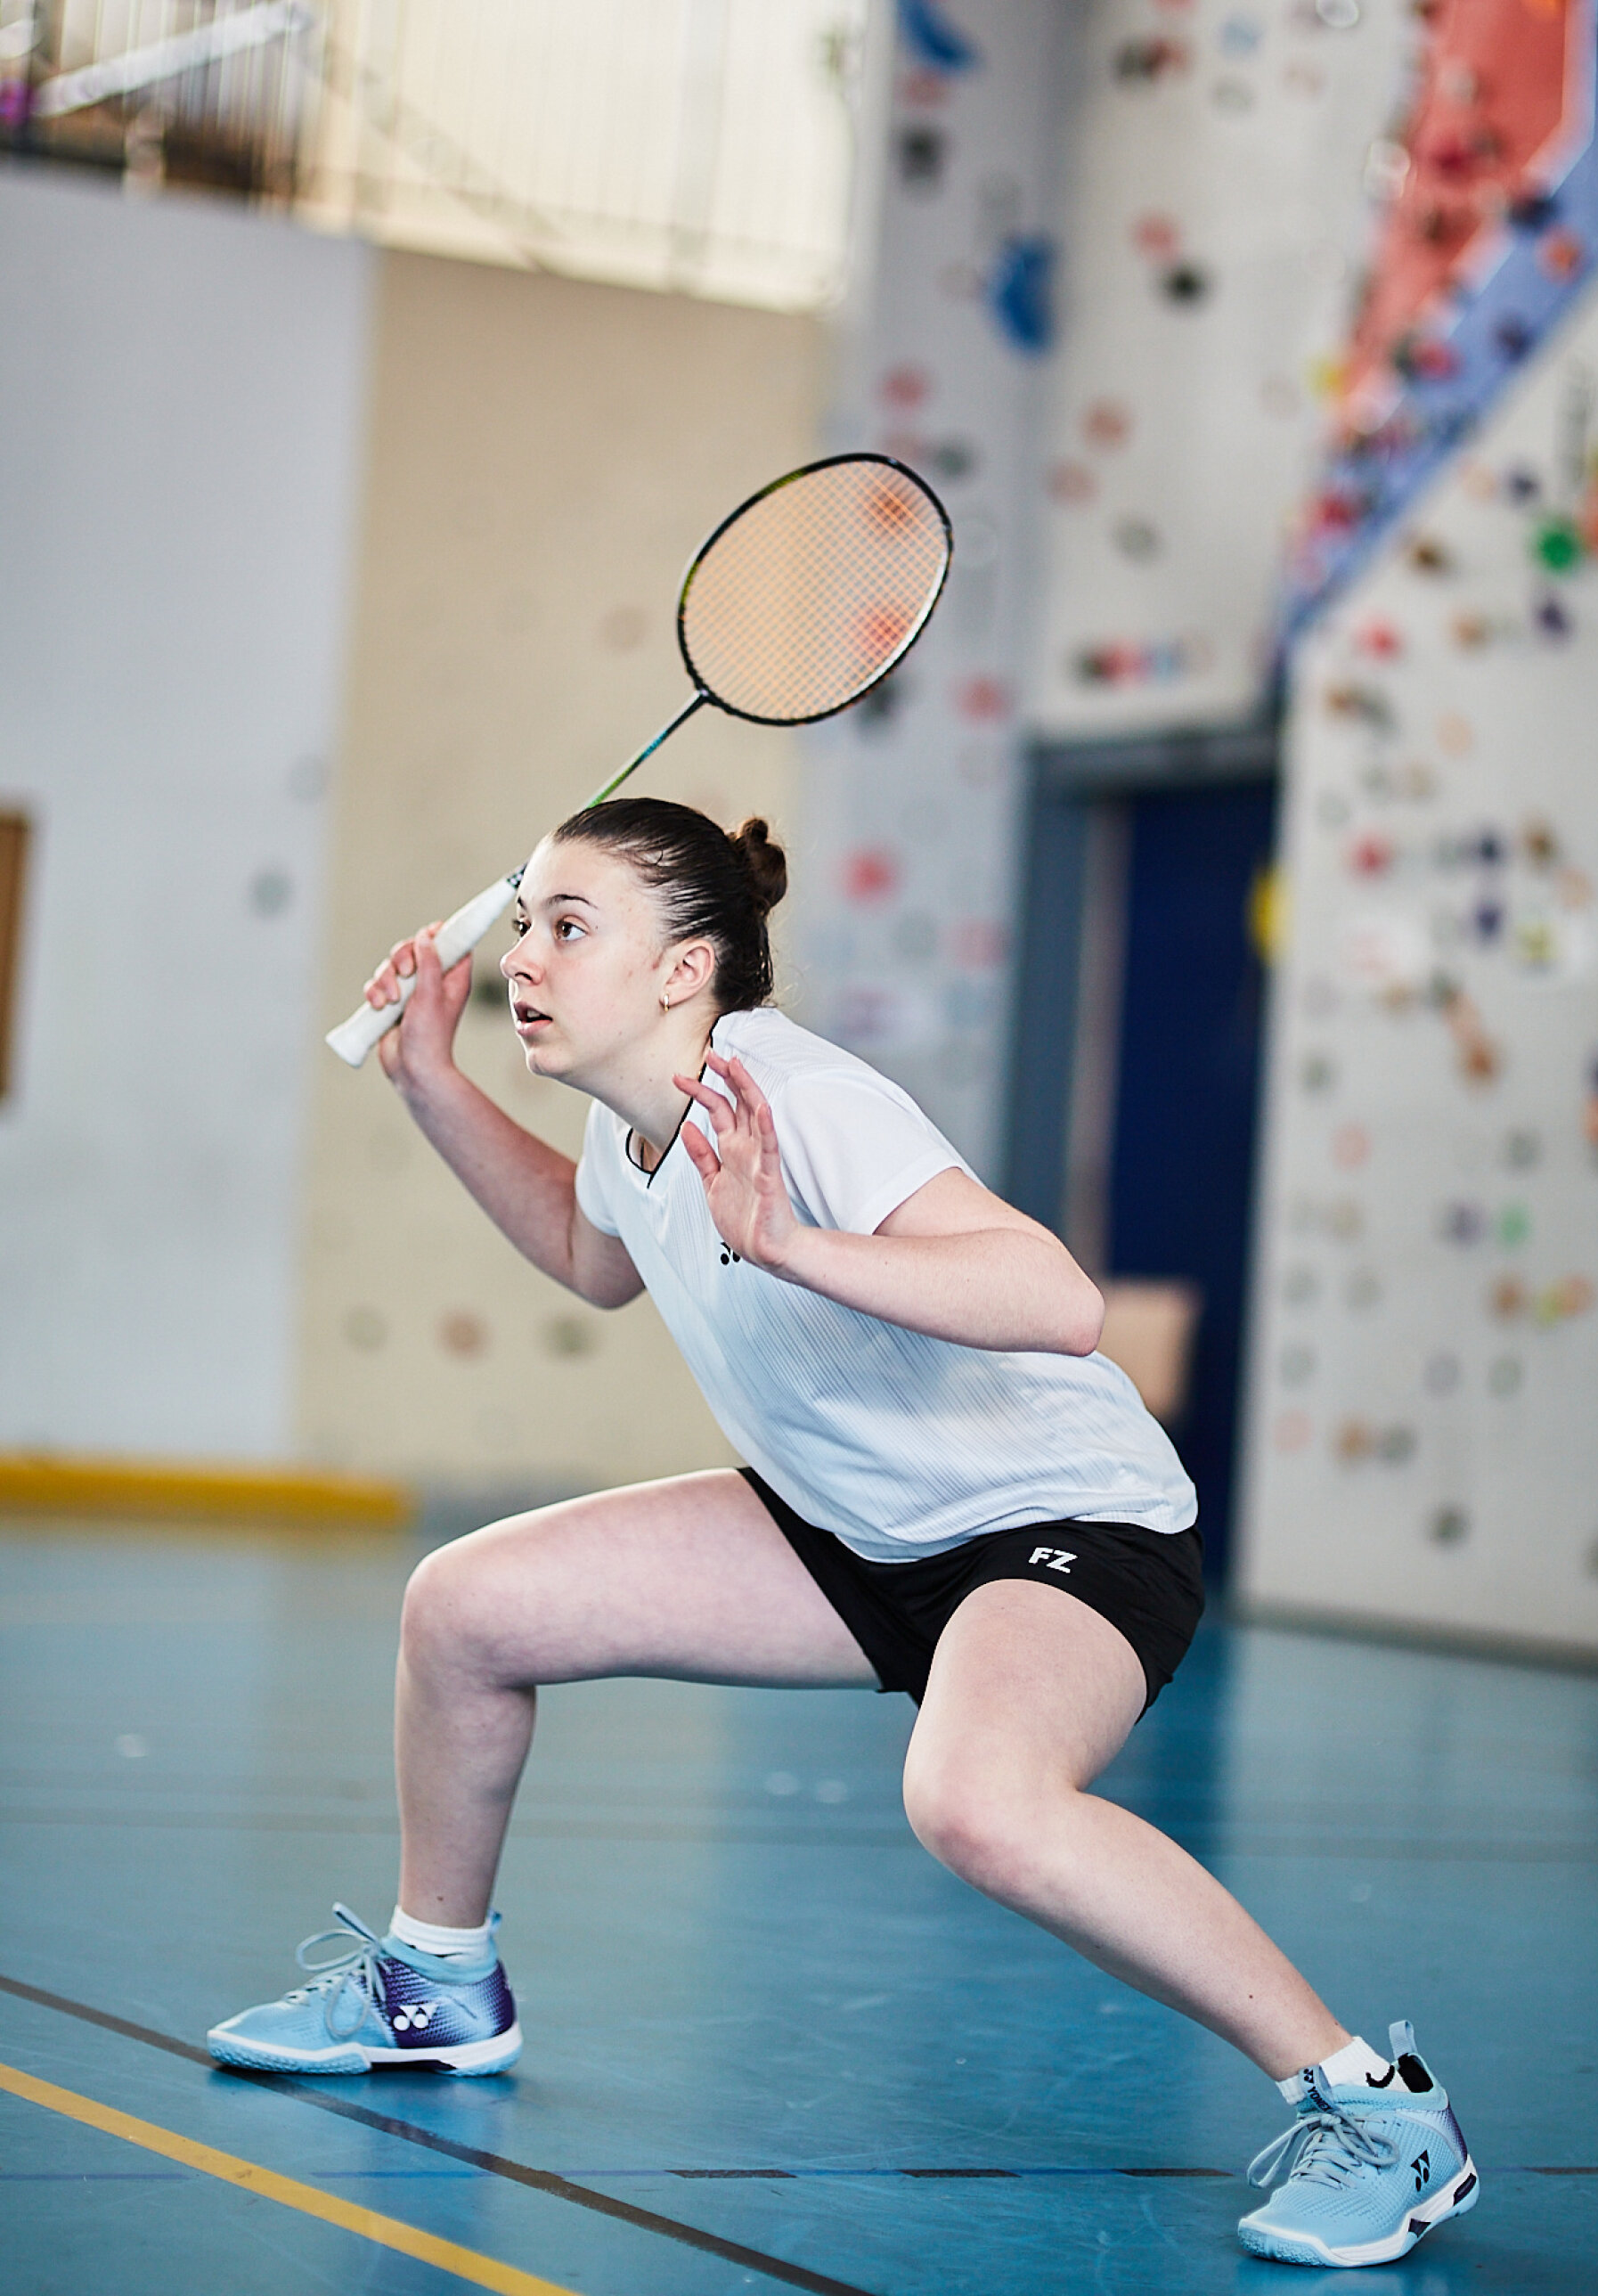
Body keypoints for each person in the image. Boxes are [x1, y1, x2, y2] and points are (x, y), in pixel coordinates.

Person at [210, 797, 1477, 2268]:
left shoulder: (799, 1097)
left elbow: (1060, 1300)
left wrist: (794, 1242)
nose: (526, 958)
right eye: (529, 922)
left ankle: (1377, 2108)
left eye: (570, 925)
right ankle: (434, 1986)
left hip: (1062, 1523)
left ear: (684, 969)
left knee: (980, 1803)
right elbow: (587, 1254)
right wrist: (430, 1079)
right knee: (466, 1606)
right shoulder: (633, 1122)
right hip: (849, 1527)